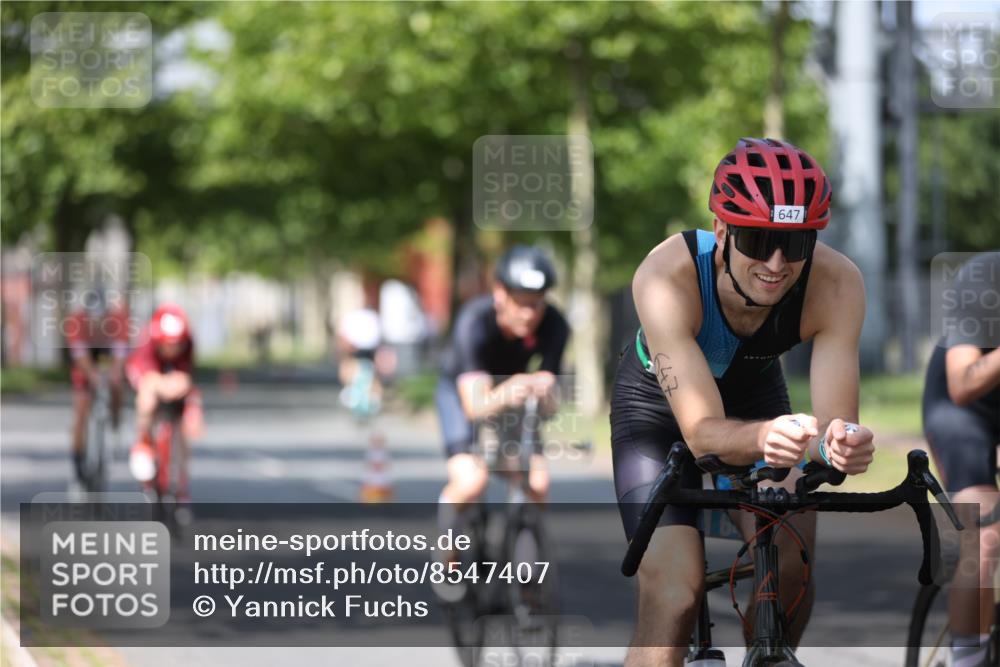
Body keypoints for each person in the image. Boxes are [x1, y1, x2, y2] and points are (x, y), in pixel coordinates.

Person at [611, 137, 875, 666]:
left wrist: (840, 445)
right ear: (723, 230)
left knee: (791, 564)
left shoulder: (837, 282)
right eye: (758, 239)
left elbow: (833, 426)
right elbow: (703, 429)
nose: (777, 264)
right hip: (659, 415)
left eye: (796, 244)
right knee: (675, 593)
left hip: (758, 403)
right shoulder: (666, 276)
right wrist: (765, 436)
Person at [435, 246, 570, 558]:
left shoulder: (555, 324)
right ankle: (446, 548)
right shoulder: (475, 321)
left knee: (537, 483)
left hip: (512, 394)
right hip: (463, 394)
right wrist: (514, 387)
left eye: (536, 304)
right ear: (499, 294)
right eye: (520, 304)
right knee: (472, 480)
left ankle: (526, 566)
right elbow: (475, 405)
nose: (529, 314)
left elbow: (550, 403)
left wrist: (547, 392)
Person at [922, 251, 1000, 667]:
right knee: (985, 535)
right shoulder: (983, 277)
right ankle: (968, 657)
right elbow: (963, 383)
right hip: (962, 410)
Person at [127, 303, 202, 502]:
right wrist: (160, 384)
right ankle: (143, 441)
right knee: (148, 396)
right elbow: (145, 376)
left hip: (174, 381)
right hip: (150, 377)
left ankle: (181, 483)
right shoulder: (146, 342)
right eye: (168, 344)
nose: (173, 349)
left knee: (182, 427)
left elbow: (187, 376)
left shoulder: (187, 341)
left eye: (177, 344)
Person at [65, 293, 130, 485]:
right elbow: (80, 356)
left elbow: (120, 354)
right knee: (80, 412)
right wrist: (92, 375)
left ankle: (116, 420)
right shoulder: (76, 321)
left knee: (117, 383)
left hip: (107, 355)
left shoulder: (118, 319)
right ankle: (78, 462)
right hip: (86, 359)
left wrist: (114, 374)